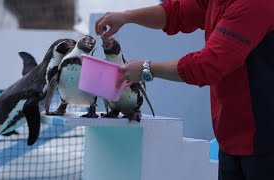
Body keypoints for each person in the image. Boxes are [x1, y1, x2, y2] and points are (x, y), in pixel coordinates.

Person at [95, 0, 274, 180]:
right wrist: (126, 17)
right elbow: (177, 12)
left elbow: (209, 65)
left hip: (264, 141)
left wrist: (147, 69)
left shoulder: (254, 4)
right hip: (230, 139)